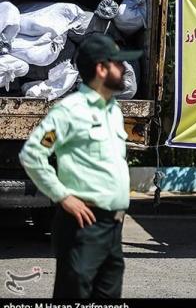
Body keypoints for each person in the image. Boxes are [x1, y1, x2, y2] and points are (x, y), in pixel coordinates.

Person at [19, 33, 143, 298]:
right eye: (118, 64)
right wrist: (63, 196)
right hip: (81, 226)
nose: (124, 70)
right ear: (101, 69)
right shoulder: (68, 112)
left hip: (112, 227)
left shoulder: (114, 110)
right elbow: (33, 154)